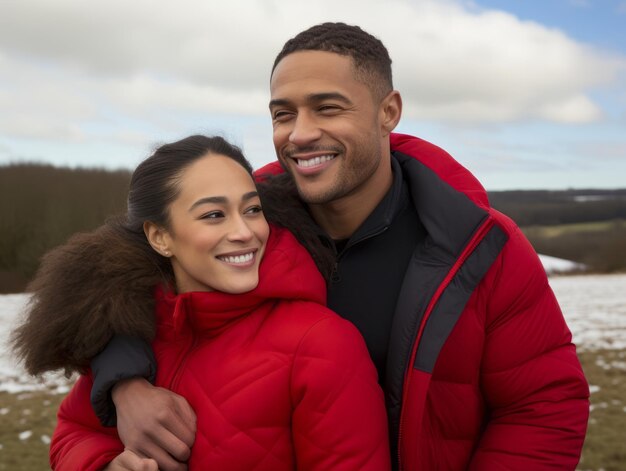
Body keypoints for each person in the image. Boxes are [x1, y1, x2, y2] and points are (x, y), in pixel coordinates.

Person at [29, 23, 589, 470]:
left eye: (327, 107)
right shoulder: (246, 218)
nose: (299, 133)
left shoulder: (479, 245)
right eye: (282, 113)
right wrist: (124, 384)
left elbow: (543, 404)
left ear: (388, 111)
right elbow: (114, 280)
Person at [11, 135, 390, 470]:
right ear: (160, 237)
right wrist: (106, 465)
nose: (245, 232)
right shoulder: (130, 327)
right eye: (213, 215)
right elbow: (73, 431)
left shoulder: (323, 343)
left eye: (252, 209)